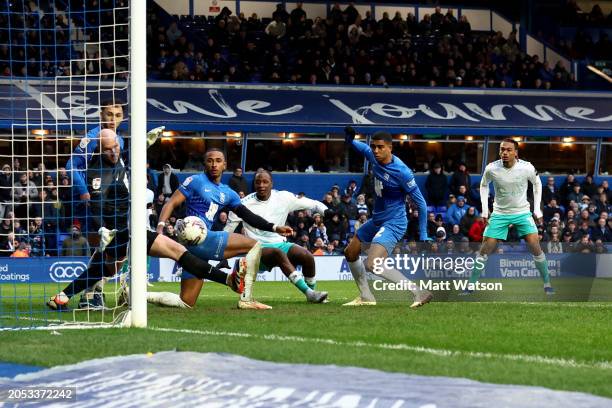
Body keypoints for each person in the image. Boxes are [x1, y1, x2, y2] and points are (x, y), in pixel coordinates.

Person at [47, 131, 248, 311]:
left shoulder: (119, 158)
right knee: (112, 266)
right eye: (108, 149)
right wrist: (103, 228)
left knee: (107, 267)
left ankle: (62, 296)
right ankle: (229, 280)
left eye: (116, 146)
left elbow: (127, 156)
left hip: (130, 228)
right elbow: (97, 205)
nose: (114, 152)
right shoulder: (96, 173)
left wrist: (144, 144)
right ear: (99, 149)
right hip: (117, 231)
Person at [156, 149, 293, 309]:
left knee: (186, 302)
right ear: (204, 164)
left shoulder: (228, 193)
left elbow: (247, 216)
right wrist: (160, 227)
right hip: (201, 240)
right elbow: (171, 203)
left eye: (218, 160)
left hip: (196, 248)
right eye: (210, 160)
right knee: (253, 245)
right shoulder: (195, 181)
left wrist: (275, 227)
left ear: (224, 165)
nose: (214, 164)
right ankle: (246, 299)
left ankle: (135, 294)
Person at [342, 127, 432, 308]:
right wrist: (351, 141)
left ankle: (419, 292)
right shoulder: (373, 157)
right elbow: (363, 149)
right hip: (377, 220)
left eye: (380, 147)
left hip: (394, 222)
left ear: (390, 148)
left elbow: (421, 204)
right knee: (350, 252)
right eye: (374, 146)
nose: (375, 150)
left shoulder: (402, 172)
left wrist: (423, 234)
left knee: (373, 263)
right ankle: (366, 296)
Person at [225, 170, 329, 303]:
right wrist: (224, 255)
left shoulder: (283, 197)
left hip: (280, 243)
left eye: (265, 182)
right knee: (277, 253)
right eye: (258, 182)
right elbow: (227, 231)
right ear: (254, 184)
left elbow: (313, 204)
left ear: (271, 184)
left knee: (306, 256)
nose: (261, 185)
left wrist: (327, 212)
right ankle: (309, 293)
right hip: (256, 248)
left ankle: (313, 293)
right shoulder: (243, 204)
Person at [466, 139, 554, 294]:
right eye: (502, 150)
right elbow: (484, 185)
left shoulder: (526, 167)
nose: (505, 153)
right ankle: (471, 285)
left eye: (508, 150)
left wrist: (537, 209)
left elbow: (537, 183)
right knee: (486, 247)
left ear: (516, 153)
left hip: (522, 212)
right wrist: (485, 211)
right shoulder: (492, 168)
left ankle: (547, 283)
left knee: (535, 245)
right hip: (500, 213)